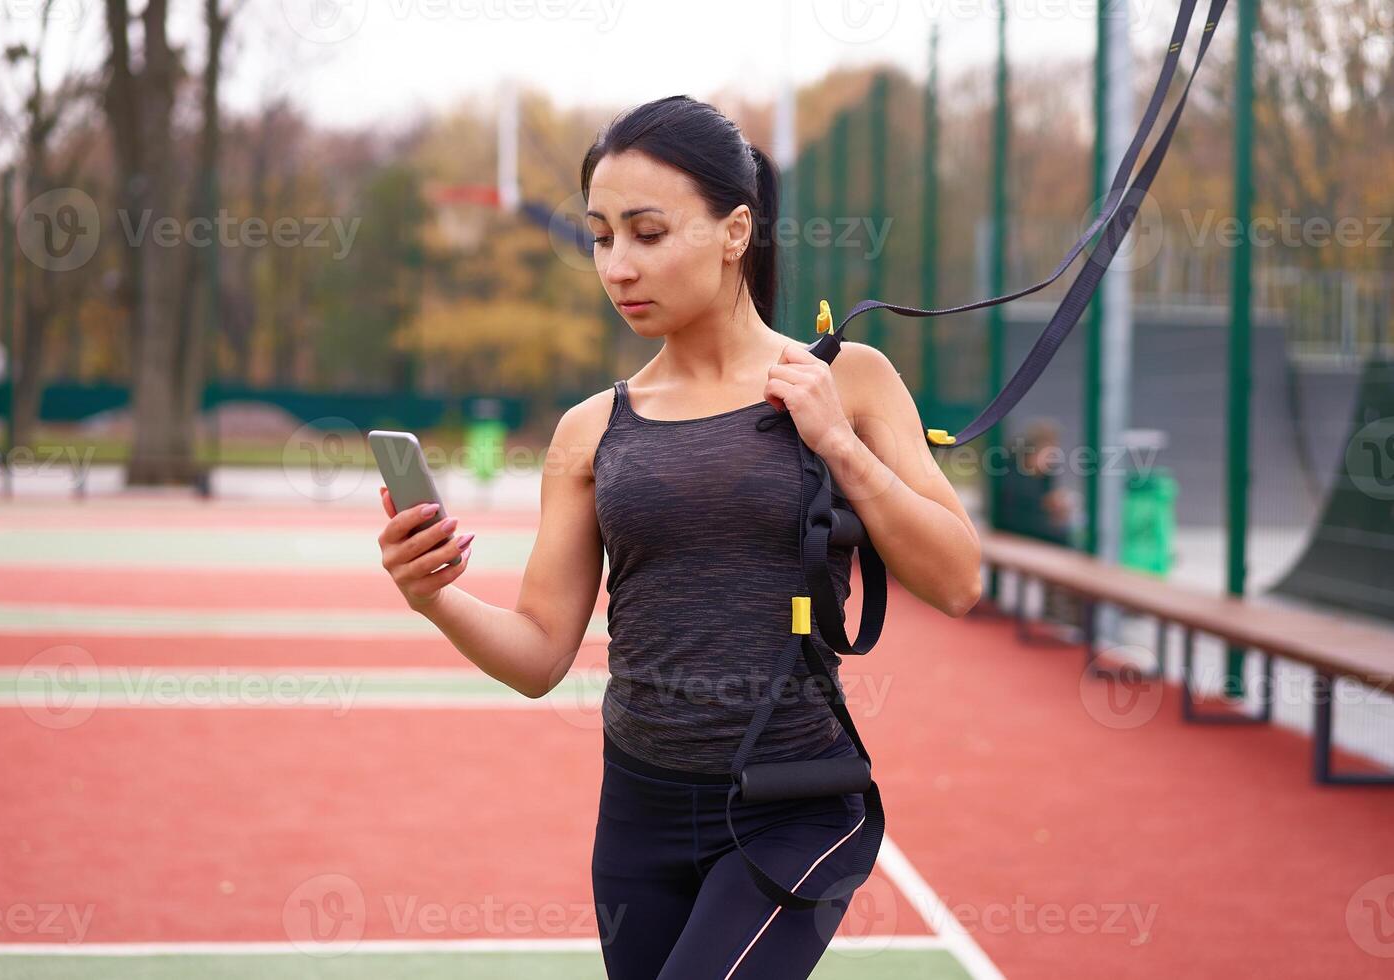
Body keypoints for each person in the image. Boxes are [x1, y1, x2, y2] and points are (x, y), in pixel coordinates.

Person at [376, 95, 981, 979]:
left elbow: (958, 579)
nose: (617, 266)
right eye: (600, 236)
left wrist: (840, 445)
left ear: (736, 230)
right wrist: (430, 595)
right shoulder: (589, 430)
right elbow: (541, 655)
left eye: (648, 233)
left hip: (795, 802)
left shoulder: (846, 379)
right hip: (638, 814)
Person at [996, 419, 1083, 632]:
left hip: (1035, 528)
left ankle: (1062, 604)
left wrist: (1056, 505)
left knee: (1069, 534)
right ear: (1034, 449)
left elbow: (1045, 503)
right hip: (1014, 529)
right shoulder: (1012, 470)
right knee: (1063, 539)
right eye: (1048, 451)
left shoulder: (1045, 471)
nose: (1052, 457)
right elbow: (1016, 512)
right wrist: (1047, 506)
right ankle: (1061, 606)